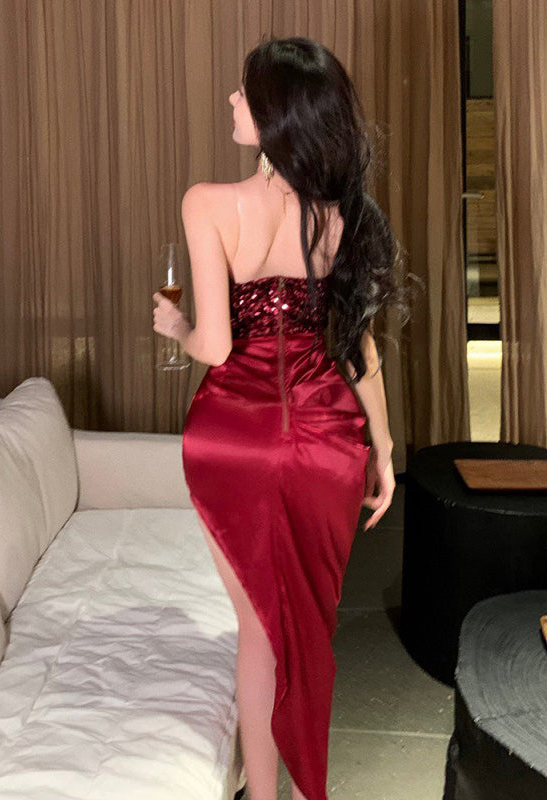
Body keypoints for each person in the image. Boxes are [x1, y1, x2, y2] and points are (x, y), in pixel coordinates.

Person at [153, 36, 406, 800]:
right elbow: (358, 346)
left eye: (244, 92)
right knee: (307, 624)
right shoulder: (341, 216)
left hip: (232, 439)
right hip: (327, 439)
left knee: (259, 630)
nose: (232, 100)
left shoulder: (207, 203)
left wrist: (175, 327)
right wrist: (384, 448)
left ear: (276, 116)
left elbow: (215, 346)